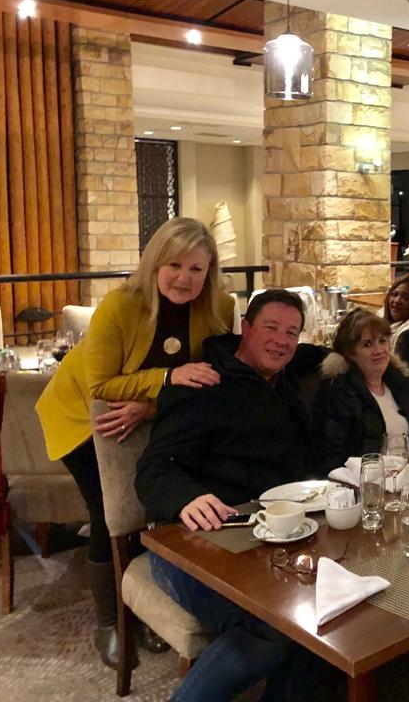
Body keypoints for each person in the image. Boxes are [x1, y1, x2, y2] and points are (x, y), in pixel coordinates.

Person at [34, 217, 233, 668]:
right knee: (109, 514)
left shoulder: (219, 306)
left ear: (210, 270)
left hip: (143, 414)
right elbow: (101, 384)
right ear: (155, 263)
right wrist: (168, 378)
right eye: (174, 265)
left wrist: (152, 406)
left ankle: (141, 610)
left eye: (196, 268)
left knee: (148, 507)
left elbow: (209, 379)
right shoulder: (120, 304)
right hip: (85, 415)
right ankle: (110, 622)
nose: (184, 278)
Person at [135, 289, 326, 702]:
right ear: (245, 327)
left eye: (291, 333)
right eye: (271, 328)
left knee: (323, 617)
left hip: (264, 540)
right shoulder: (202, 383)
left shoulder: (283, 380)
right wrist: (187, 498)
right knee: (273, 628)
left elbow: (320, 353)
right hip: (187, 542)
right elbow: (153, 468)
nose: (281, 341)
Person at [314, 309, 409, 473]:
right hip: (368, 481)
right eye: (367, 344)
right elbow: (332, 460)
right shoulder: (338, 393)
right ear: (350, 353)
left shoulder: (400, 383)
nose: (378, 350)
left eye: (382, 341)